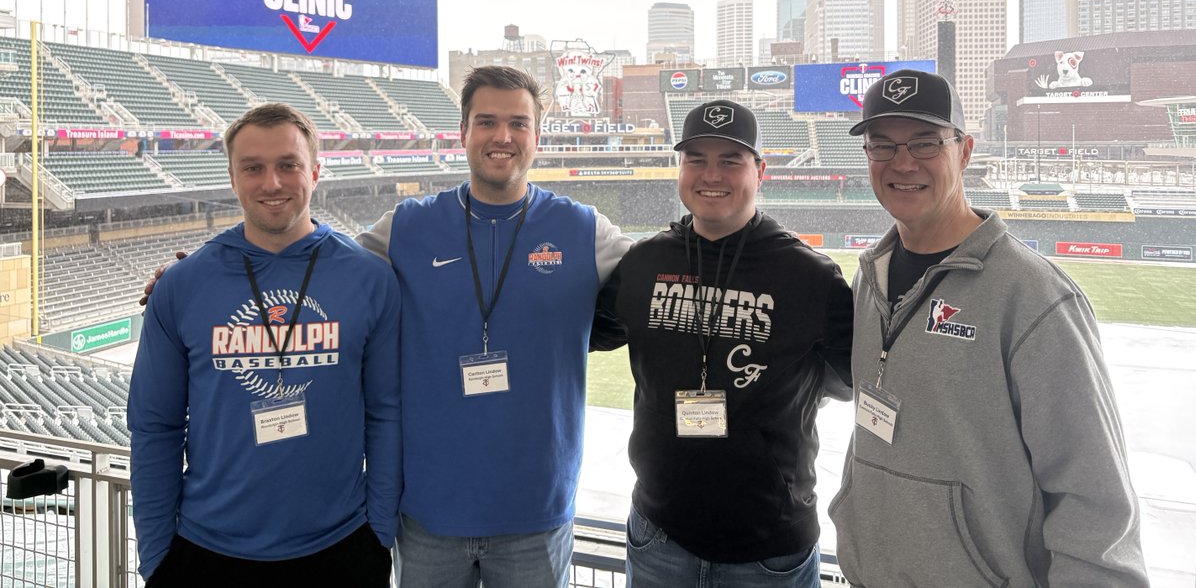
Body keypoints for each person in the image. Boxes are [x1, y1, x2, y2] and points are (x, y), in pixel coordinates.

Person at [829, 69, 1148, 587]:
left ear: (965, 150)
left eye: (926, 142)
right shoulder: (872, 277)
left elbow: (1094, 503)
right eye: (881, 145)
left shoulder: (1034, 296)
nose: (902, 162)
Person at [357, 65, 631, 587]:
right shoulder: (406, 226)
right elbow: (316, 269)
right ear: (462, 132)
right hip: (429, 510)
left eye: (518, 123)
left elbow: (671, 272)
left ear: (537, 136)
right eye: (486, 122)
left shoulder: (585, 230)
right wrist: (203, 269)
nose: (502, 137)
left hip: (537, 512)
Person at [128, 103, 401, 587]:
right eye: (253, 168)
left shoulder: (369, 278)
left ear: (315, 171)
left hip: (342, 548)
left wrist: (377, 534)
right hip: (206, 550)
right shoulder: (183, 286)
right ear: (233, 177)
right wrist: (156, 558)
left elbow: (386, 413)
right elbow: (155, 427)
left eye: (288, 165)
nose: (271, 183)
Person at [591, 99, 854, 587]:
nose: (711, 174)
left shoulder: (810, 277)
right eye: (696, 159)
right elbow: (575, 335)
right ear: (681, 168)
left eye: (730, 160)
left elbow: (849, 381)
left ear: (760, 170)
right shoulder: (643, 264)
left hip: (770, 550)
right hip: (659, 536)